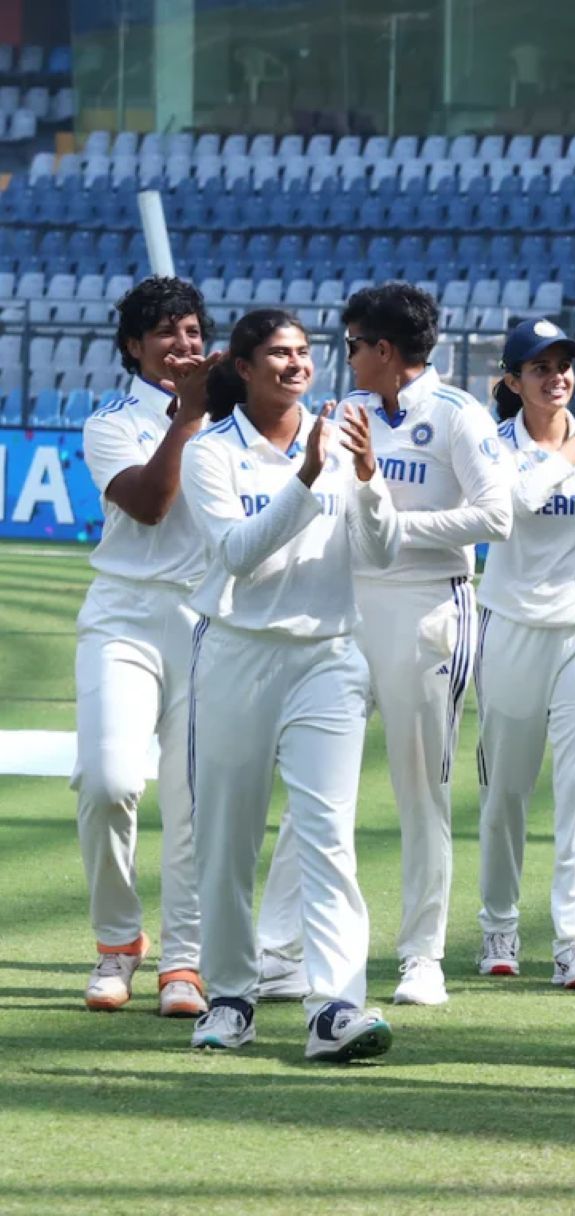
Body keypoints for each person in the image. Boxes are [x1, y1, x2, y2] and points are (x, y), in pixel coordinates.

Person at [250, 282, 514, 1010]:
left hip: (430, 608)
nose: (348, 357)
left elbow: (498, 515)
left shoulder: (458, 414)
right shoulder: (346, 414)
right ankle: (278, 951)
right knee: (315, 780)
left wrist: (398, 531)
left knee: (418, 786)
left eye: (354, 345)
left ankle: (421, 956)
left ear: (385, 350)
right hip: (346, 608)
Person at [179, 308, 401, 1061]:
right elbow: (239, 553)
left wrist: (366, 479)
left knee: (328, 835)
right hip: (238, 653)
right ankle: (232, 996)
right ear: (242, 367)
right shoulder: (210, 452)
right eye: (278, 353)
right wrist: (306, 475)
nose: (296, 364)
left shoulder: (343, 440)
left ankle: (333, 1005)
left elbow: (383, 548)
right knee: (227, 838)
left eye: (304, 352)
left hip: (329, 658)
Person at [73, 277, 214, 1017]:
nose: (182, 345)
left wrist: (213, 413)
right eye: (165, 333)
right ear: (133, 346)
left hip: (206, 621)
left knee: (193, 799)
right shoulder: (110, 423)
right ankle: (117, 943)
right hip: (123, 616)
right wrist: (187, 418)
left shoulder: (234, 418)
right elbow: (150, 505)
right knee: (108, 781)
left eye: (192, 332)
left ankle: (184, 962)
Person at [472, 317, 575, 989]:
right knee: (507, 786)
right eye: (540, 367)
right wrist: (572, 450)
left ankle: (574, 943)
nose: (557, 376)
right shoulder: (493, 445)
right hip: (511, 624)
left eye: (564, 364)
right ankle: (498, 924)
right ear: (512, 380)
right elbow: (515, 506)